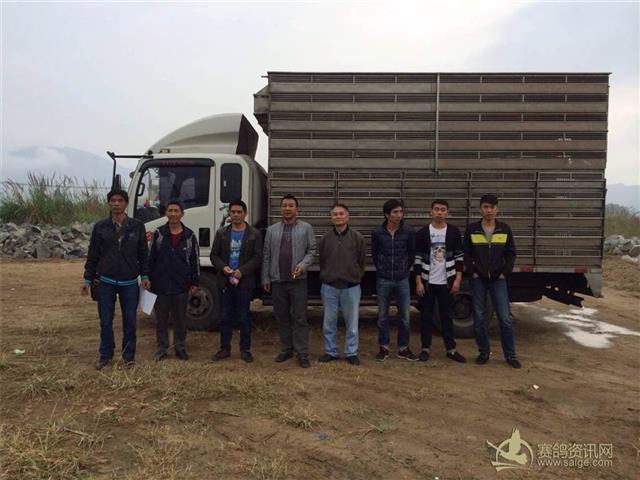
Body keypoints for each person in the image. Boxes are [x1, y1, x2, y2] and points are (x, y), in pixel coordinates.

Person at [82, 189, 149, 369]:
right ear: (109, 203)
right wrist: (87, 279)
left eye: (120, 200)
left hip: (130, 283)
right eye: (113, 200)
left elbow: (143, 253)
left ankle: (128, 357)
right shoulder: (100, 227)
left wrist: (145, 275)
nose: (116, 203)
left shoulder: (137, 226)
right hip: (106, 282)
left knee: (130, 322)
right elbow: (93, 255)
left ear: (126, 204)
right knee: (105, 321)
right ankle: (105, 355)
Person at [463, 193, 520, 368]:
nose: (489, 210)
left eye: (492, 207)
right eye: (486, 207)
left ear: (497, 209)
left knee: (504, 318)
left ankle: (510, 355)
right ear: (480, 209)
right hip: (478, 279)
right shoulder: (472, 229)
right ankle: (483, 352)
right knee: (479, 318)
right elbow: (466, 253)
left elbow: (511, 253)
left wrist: (505, 272)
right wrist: (473, 272)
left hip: (498, 279)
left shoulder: (504, 229)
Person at [262, 194, 316, 368]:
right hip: (278, 280)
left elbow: (312, 251)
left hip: (298, 281)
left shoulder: (306, 228)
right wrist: (265, 277)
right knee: (282, 317)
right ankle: (286, 349)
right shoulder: (272, 230)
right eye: (284, 205)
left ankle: (302, 353)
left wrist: (302, 265)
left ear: (296, 209)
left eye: (291, 205)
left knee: (300, 318)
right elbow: (266, 255)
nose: (287, 208)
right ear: (281, 208)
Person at [210, 199, 263, 363]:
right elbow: (214, 255)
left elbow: (258, 257)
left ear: (245, 214)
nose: (235, 215)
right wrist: (223, 267)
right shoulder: (221, 233)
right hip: (225, 282)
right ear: (229, 213)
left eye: (239, 212)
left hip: (244, 282)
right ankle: (224, 348)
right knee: (224, 316)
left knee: (243, 317)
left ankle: (245, 350)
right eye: (232, 212)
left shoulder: (254, 234)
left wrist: (242, 271)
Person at [414, 200, 466, 363]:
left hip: (447, 282)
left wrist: (457, 279)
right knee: (426, 317)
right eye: (436, 209)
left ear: (447, 213)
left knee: (447, 316)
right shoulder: (423, 233)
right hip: (427, 282)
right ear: (431, 212)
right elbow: (417, 258)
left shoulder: (453, 232)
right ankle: (425, 348)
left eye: (443, 210)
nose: (439, 212)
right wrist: (418, 282)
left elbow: (459, 257)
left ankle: (451, 349)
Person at [148, 199, 200, 361]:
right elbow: (151, 258)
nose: (173, 214)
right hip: (160, 284)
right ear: (166, 213)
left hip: (181, 285)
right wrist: (147, 277)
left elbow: (194, 261)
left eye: (176, 211)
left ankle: (180, 348)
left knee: (180, 320)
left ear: (182, 214)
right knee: (161, 320)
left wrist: (194, 282)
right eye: (170, 210)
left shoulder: (189, 235)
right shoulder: (158, 234)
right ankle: (161, 348)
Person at [317, 203, 366, 366]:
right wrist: (328, 275)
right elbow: (322, 260)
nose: (338, 216)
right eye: (335, 214)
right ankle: (330, 351)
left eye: (341, 214)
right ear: (331, 218)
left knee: (352, 323)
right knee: (329, 322)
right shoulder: (325, 239)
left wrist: (355, 275)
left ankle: (351, 352)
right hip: (329, 287)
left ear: (347, 216)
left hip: (351, 287)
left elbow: (361, 260)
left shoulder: (357, 238)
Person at [371, 199, 417, 362]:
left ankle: (403, 348)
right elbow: (375, 254)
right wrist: (382, 268)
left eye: (400, 212)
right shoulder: (377, 232)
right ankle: (383, 347)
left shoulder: (408, 231)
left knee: (405, 315)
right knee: (382, 316)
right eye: (395, 212)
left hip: (402, 279)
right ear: (387, 215)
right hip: (383, 279)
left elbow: (411, 253)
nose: (399, 215)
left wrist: (404, 268)